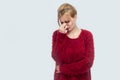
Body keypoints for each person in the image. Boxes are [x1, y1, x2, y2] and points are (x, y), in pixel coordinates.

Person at [51, 3, 95, 80]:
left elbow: (87, 63)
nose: (65, 25)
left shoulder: (87, 35)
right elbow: (56, 57)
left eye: (67, 21)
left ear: (75, 17)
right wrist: (61, 36)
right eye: (62, 22)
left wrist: (62, 69)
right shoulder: (57, 34)